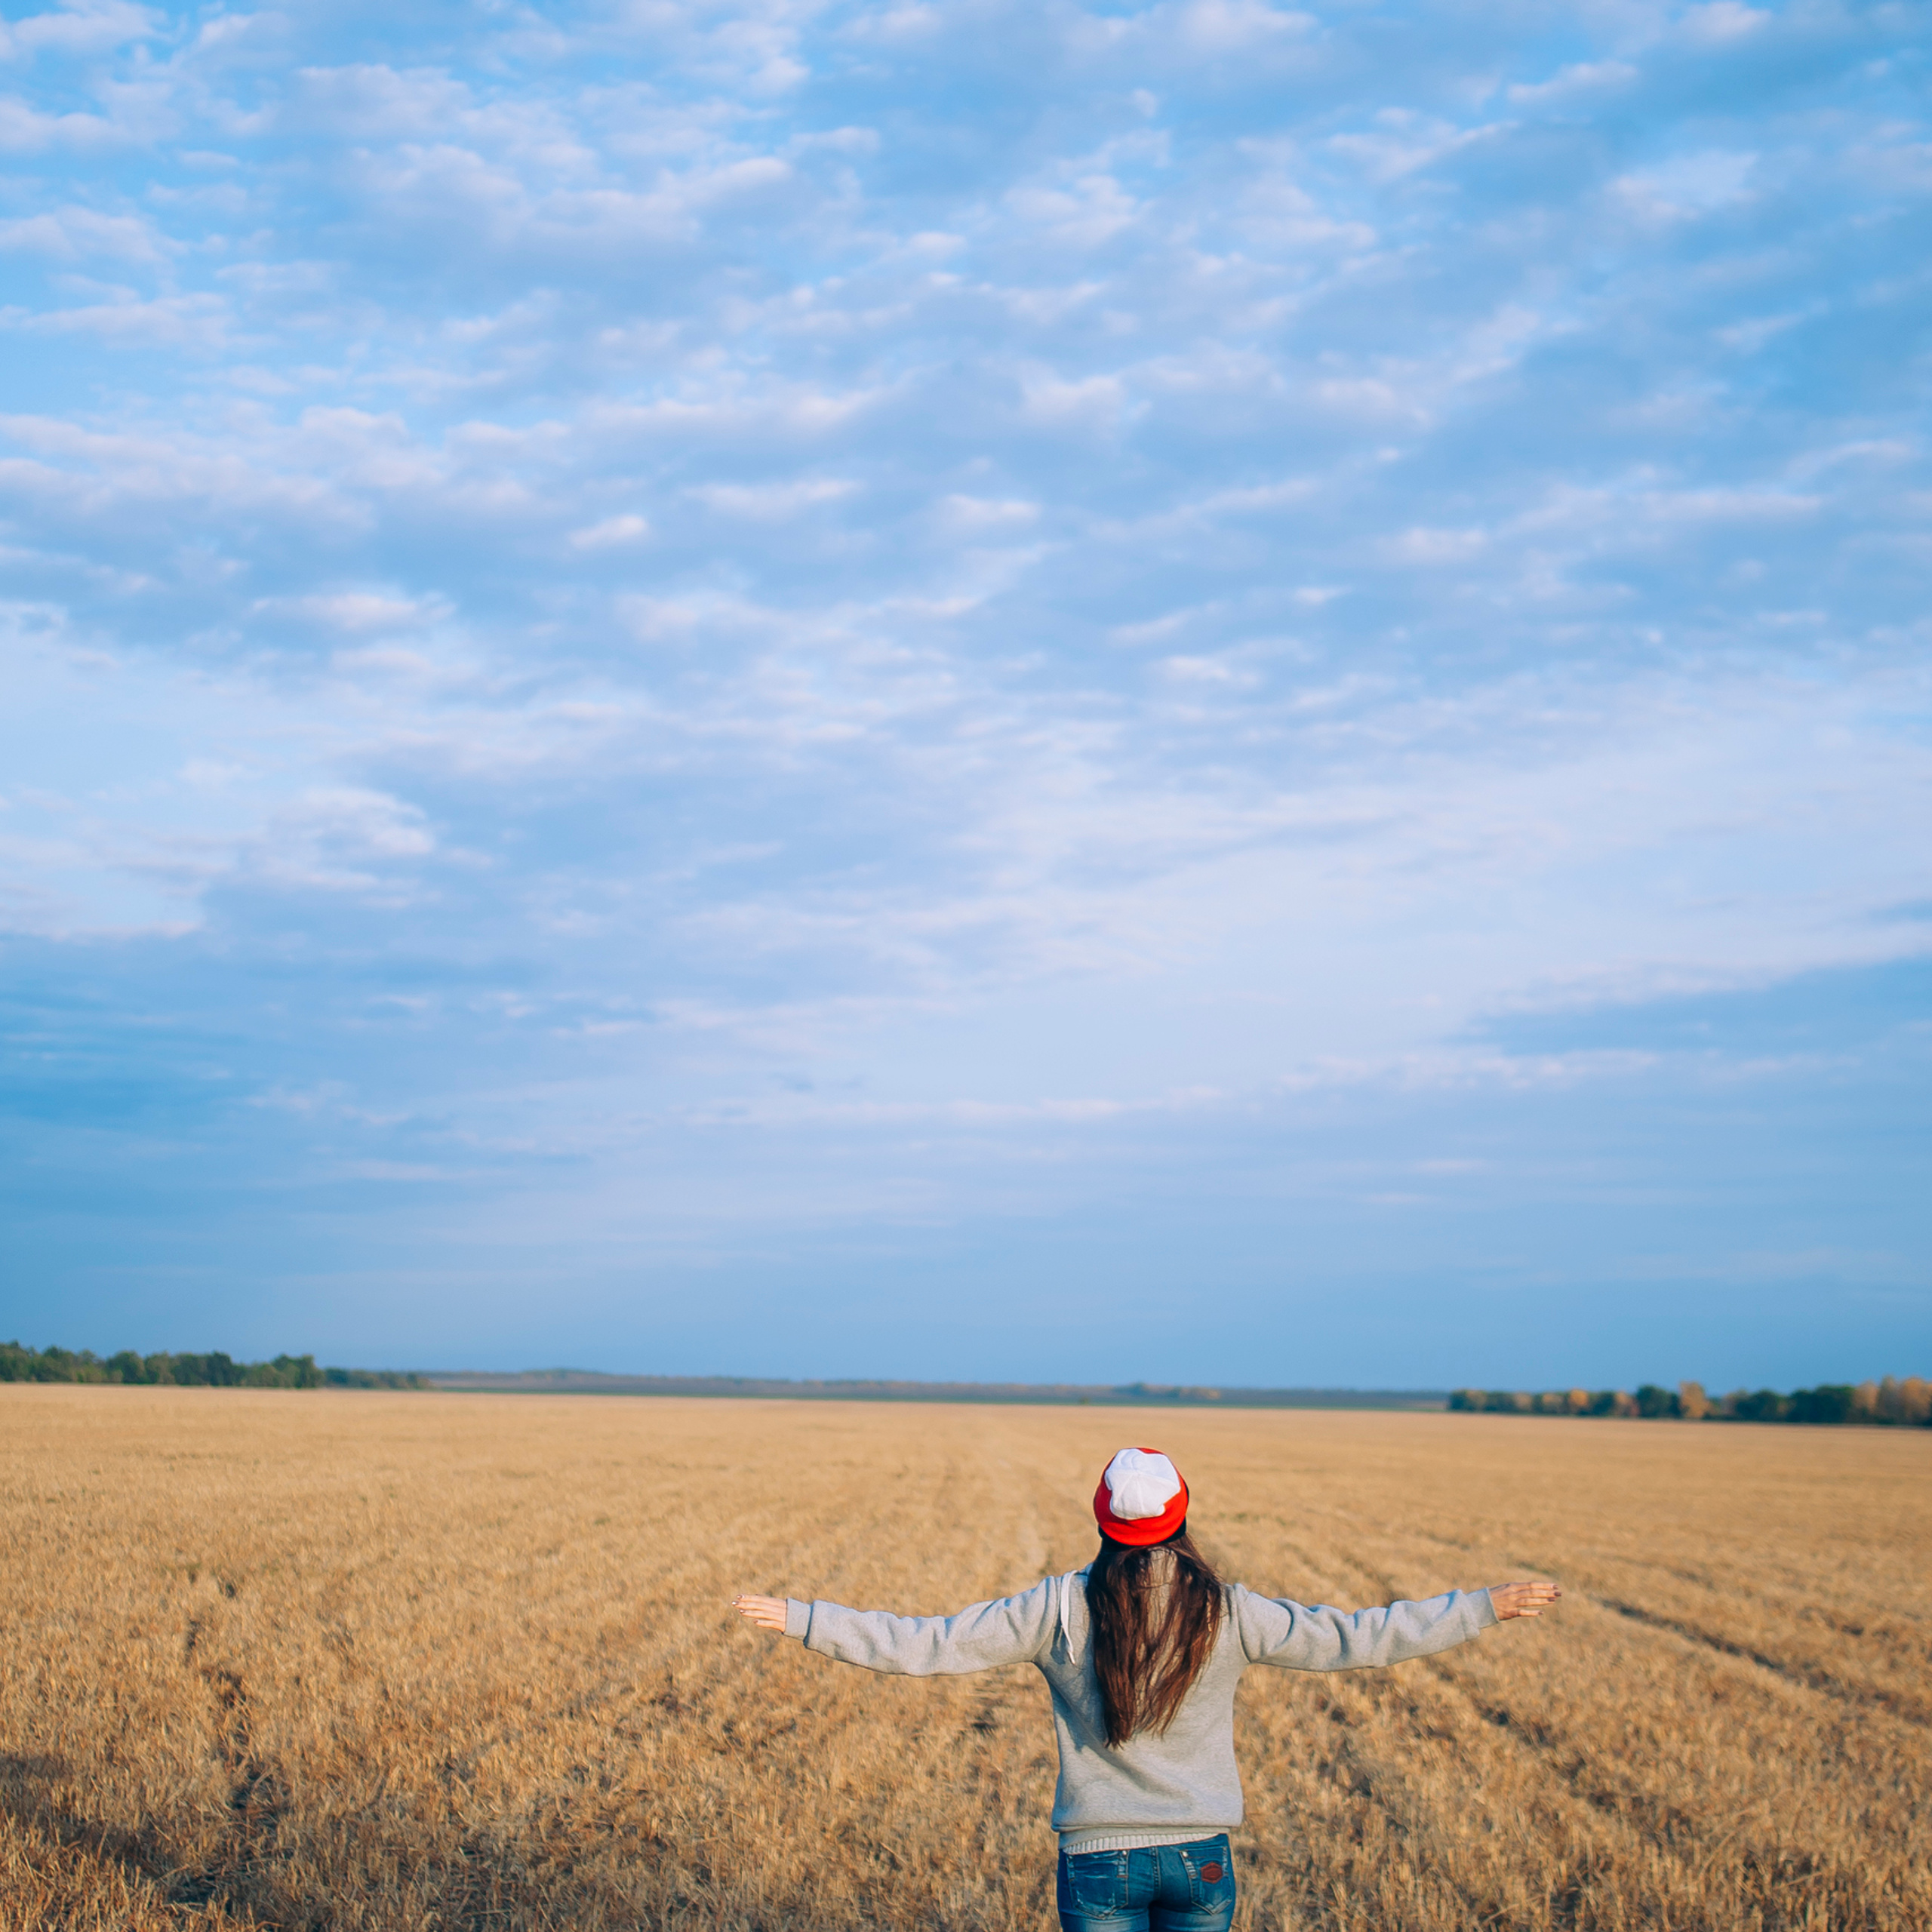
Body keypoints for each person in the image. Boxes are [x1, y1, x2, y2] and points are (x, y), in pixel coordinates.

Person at [734, 1444, 1561, 1932]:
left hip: (1097, 1862)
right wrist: (1482, 1607)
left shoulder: (1056, 1607)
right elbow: (1359, 1638)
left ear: (1102, 1517)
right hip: (1201, 1861)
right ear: (1180, 1515)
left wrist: (806, 1618)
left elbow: (928, 1645)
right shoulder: (1228, 1610)